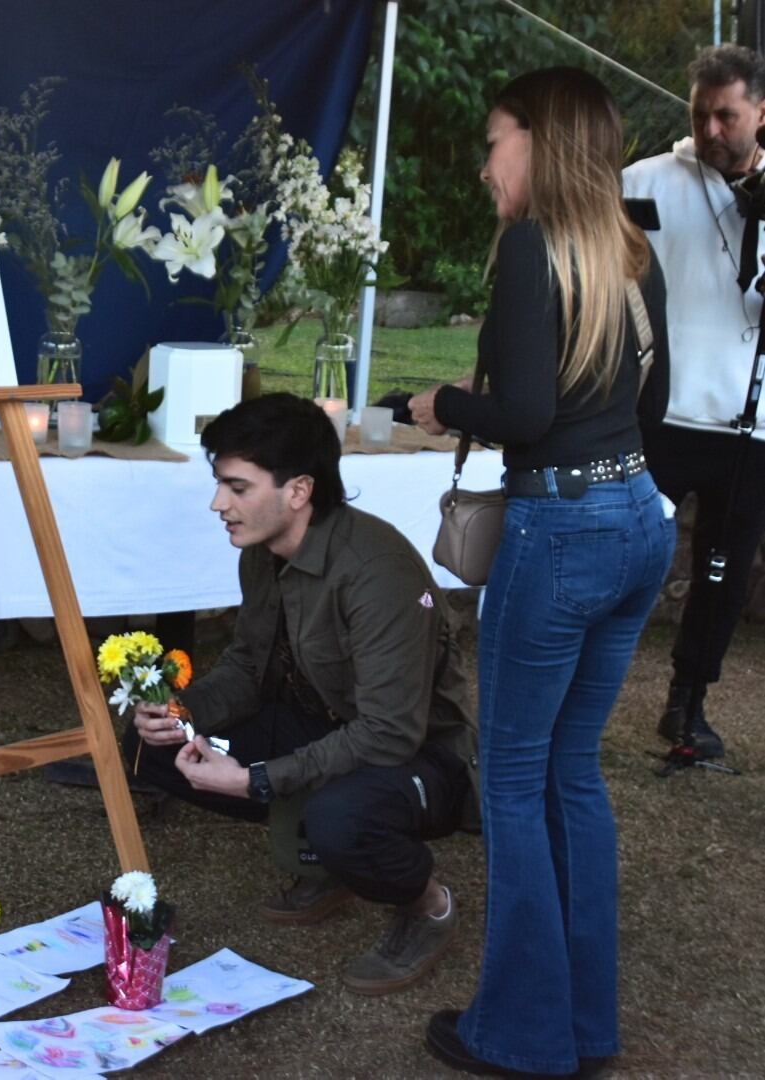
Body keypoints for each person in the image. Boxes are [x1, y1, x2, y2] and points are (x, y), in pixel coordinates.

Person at [408, 68, 674, 1076]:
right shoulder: (632, 252)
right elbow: (644, 402)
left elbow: (519, 417)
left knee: (513, 779)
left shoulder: (530, 248)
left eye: (495, 140)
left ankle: (520, 1035)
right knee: (570, 772)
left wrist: (441, 401)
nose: (484, 164)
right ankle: (583, 1027)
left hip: (560, 528)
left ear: (542, 140)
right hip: (637, 522)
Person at [122, 392, 479, 996]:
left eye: (237, 487)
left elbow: (391, 733)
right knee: (153, 744)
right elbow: (246, 667)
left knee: (341, 817)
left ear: (298, 491)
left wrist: (257, 778)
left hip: (422, 756)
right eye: (220, 485)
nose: (219, 504)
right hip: (323, 727)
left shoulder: (377, 570)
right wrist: (182, 713)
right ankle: (328, 865)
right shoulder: (264, 552)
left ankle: (428, 905)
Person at [622, 44, 765, 758]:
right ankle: (583, 684)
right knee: (620, 555)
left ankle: (687, 703)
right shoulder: (647, 179)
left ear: (760, 113)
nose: (710, 130)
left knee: (723, 569)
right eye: (700, 114)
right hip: (663, 411)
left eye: (726, 116)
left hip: (752, 420)